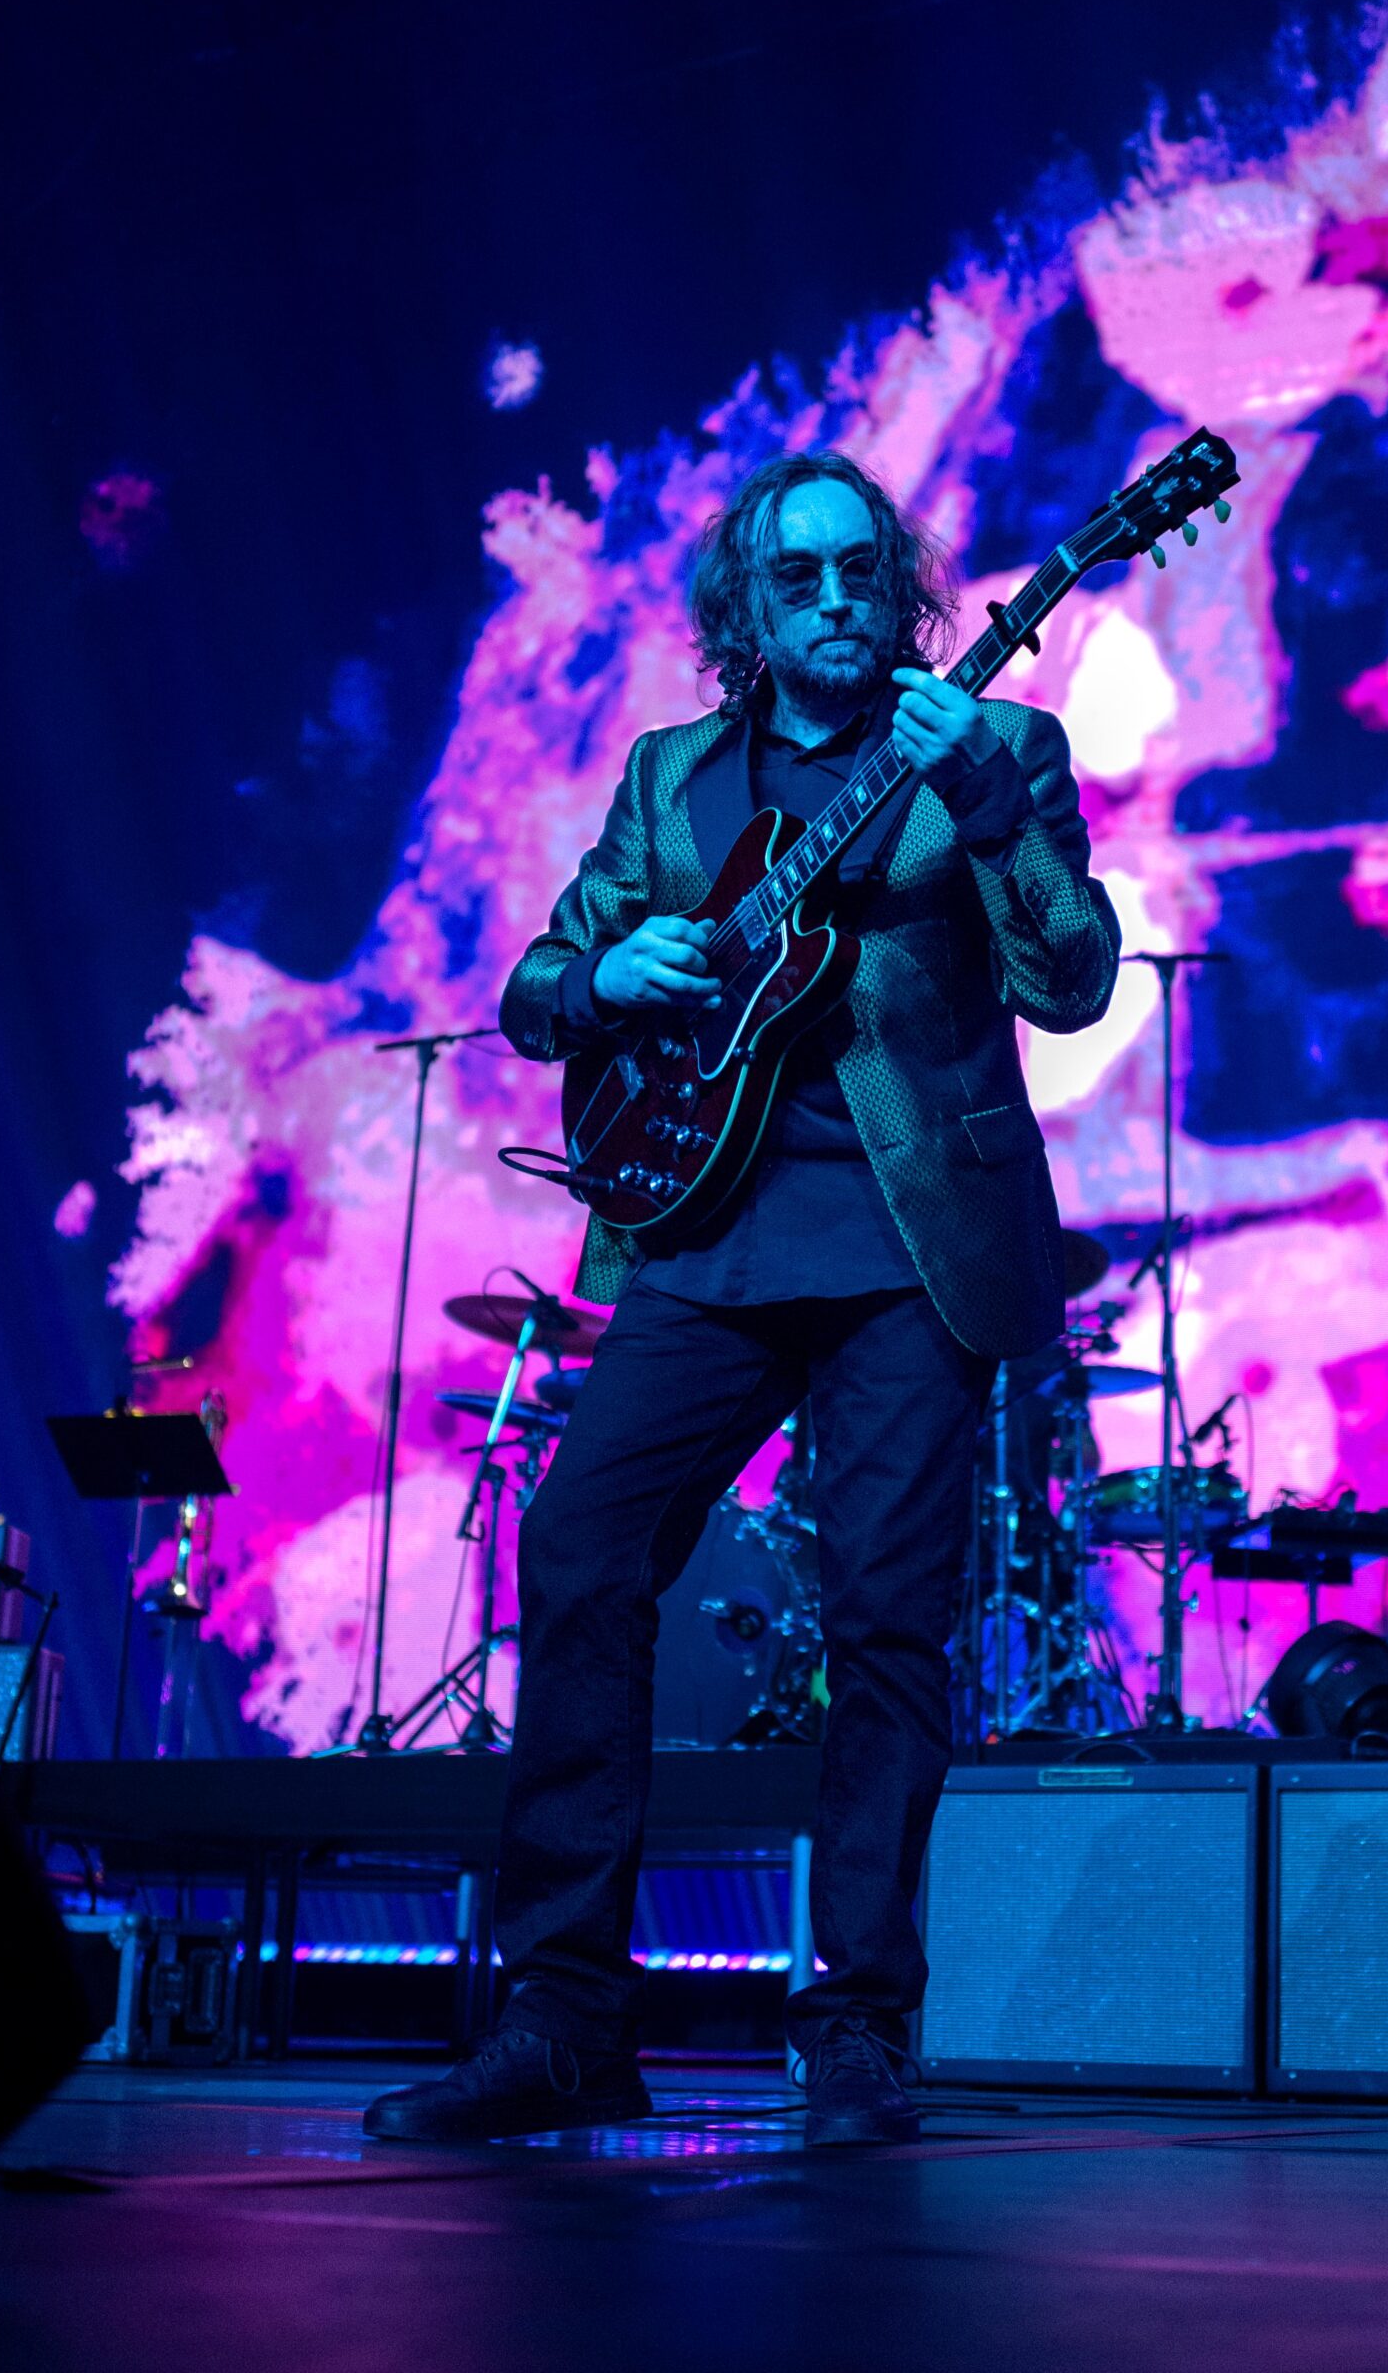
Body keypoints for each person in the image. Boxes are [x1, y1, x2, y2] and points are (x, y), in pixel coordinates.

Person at [364, 451, 1119, 2145]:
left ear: (902, 587)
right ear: (748, 613)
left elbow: (1073, 981)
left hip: (911, 1252)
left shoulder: (993, 744)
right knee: (578, 1552)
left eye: (862, 570)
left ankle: (858, 2028)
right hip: (701, 1241)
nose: (838, 599)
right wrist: (601, 975)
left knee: (884, 1624)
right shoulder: (673, 777)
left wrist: (988, 811)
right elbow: (536, 987)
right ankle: (567, 2016)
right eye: (800, 578)